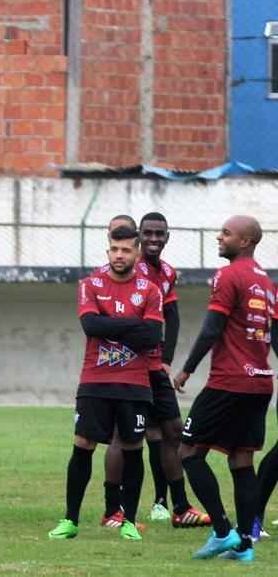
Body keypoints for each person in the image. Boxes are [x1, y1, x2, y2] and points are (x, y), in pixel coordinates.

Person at [48, 226, 162, 542]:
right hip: (95, 381)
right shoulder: (90, 285)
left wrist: (109, 325)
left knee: (132, 449)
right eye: (115, 249)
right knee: (82, 446)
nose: (119, 255)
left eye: (126, 250)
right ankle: (70, 519)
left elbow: (152, 337)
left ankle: (128, 520)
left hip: (135, 384)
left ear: (137, 253)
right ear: (108, 251)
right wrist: (132, 325)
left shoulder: (150, 290)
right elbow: (90, 325)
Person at [173, 215, 275, 562]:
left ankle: (221, 532)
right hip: (261, 383)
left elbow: (212, 328)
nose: (219, 236)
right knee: (241, 460)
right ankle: (245, 546)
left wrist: (186, 369)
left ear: (245, 241)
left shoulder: (228, 276)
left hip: (229, 382)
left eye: (227, 233)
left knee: (188, 453)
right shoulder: (267, 283)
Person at [134, 212, 208, 528]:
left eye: (159, 234)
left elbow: (172, 316)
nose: (153, 239)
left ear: (167, 236)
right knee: (129, 437)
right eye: (148, 233)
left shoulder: (167, 273)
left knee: (172, 431)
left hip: (154, 366)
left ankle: (179, 506)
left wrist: (167, 358)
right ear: (139, 235)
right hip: (129, 368)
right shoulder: (129, 270)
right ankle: (117, 511)